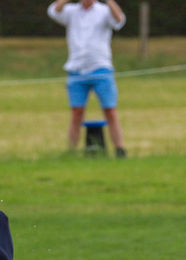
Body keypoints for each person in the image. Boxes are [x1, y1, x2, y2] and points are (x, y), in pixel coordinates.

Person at [47, 0, 127, 158]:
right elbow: (54, 12)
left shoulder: (104, 10)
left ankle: (119, 149)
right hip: (76, 69)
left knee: (110, 110)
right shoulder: (71, 11)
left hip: (101, 67)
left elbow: (119, 20)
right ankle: (71, 152)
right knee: (76, 112)